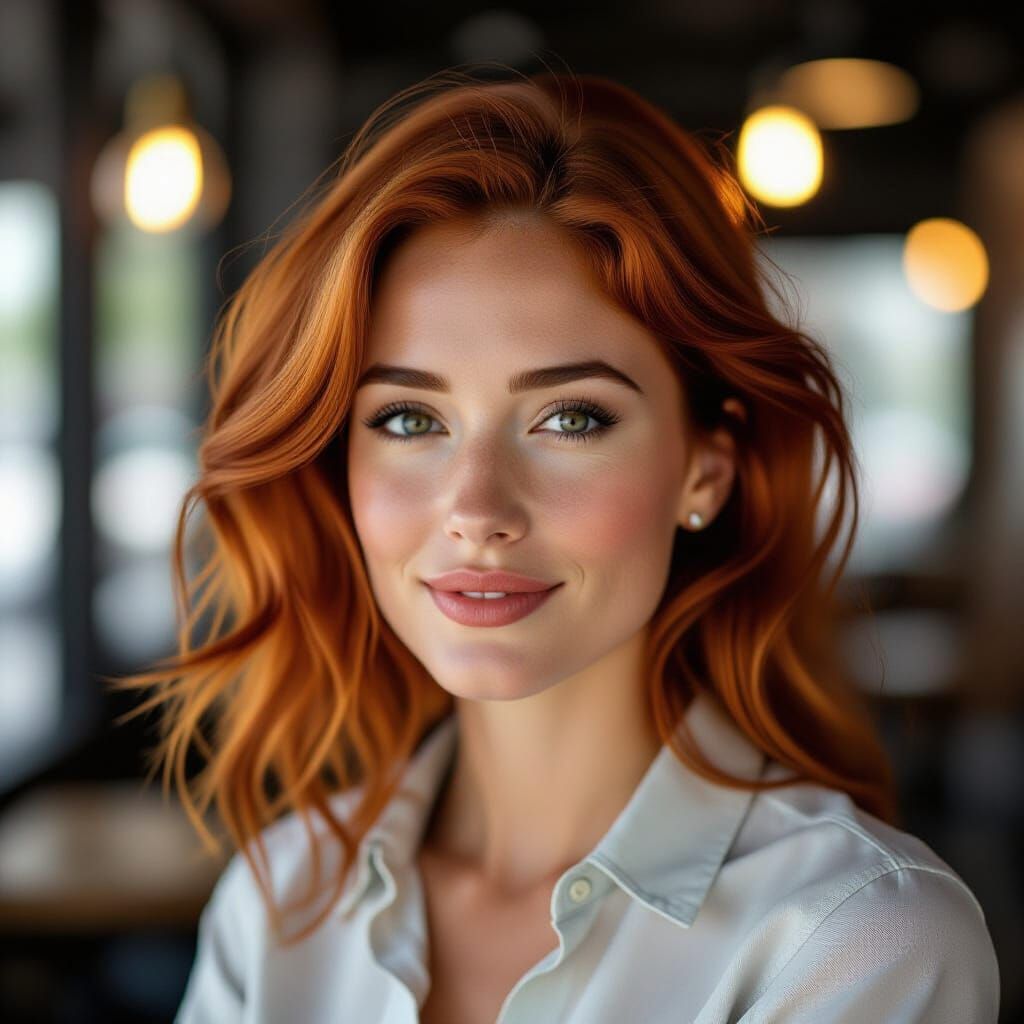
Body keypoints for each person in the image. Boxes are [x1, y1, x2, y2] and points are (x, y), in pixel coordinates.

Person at [112, 67, 1000, 1023]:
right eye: (410, 420)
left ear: (706, 467)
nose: (477, 507)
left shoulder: (855, 938)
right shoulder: (279, 906)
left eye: (571, 418)